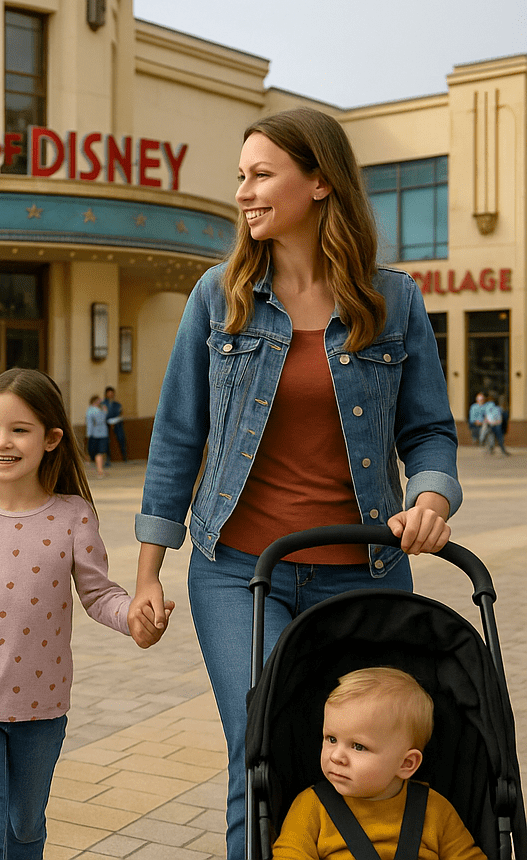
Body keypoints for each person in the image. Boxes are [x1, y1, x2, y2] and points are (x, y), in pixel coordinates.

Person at [128, 108, 461, 860]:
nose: (244, 192)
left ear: (318, 182)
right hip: (240, 573)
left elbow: (429, 431)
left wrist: (432, 497)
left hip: (366, 572)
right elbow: (179, 435)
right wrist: (148, 572)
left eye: (260, 174)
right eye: (240, 176)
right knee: (265, 749)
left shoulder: (392, 300)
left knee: (365, 763)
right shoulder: (220, 297)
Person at [0, 368, 173, 859]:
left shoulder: (73, 515)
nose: (2, 442)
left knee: (23, 830)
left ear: (51, 438)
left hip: (42, 710)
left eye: (19, 430)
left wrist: (132, 617)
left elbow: (98, 594)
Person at [273, 667, 485, 860]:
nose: (336, 756)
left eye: (358, 746)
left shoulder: (435, 810)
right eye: (331, 739)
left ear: (406, 764)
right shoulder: (312, 807)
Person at [85, 394, 109, 477]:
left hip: (96, 433)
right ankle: (100, 470)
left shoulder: (91, 410)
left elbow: (90, 424)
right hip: (100, 433)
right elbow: (90, 423)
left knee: (99, 452)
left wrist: (89, 434)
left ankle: (100, 469)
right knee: (99, 452)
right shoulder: (98, 410)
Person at [104, 386, 129, 462]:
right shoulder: (103, 404)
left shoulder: (117, 404)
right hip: (106, 424)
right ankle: (108, 457)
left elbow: (119, 413)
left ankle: (124, 456)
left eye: (112, 393)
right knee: (106, 440)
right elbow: (104, 415)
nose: (111, 395)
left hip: (117, 424)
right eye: (109, 393)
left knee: (121, 438)